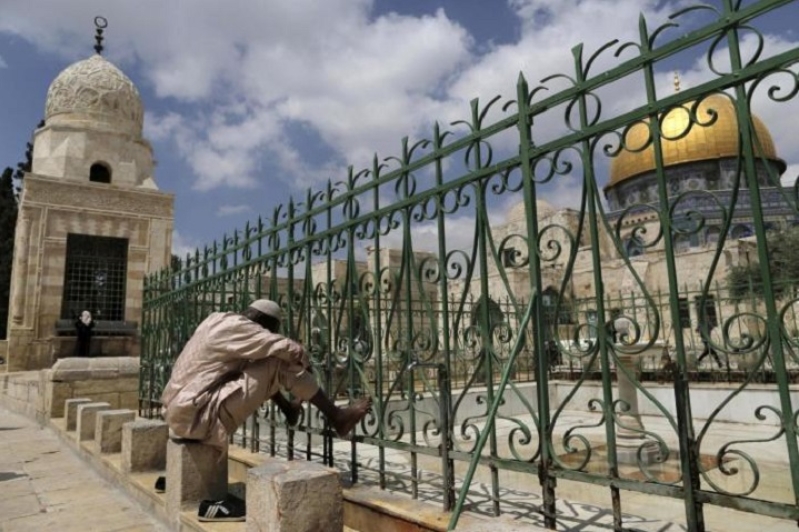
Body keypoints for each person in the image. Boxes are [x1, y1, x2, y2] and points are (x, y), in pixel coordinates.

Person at [158, 299, 372, 522]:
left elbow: (254, 370)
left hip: (183, 413)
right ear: (262, 323)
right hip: (198, 416)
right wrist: (303, 363)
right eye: (271, 330)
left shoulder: (217, 320)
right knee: (276, 362)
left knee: (260, 365)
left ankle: (289, 410)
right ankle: (337, 417)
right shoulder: (240, 327)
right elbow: (291, 349)